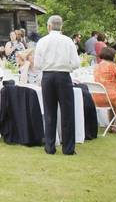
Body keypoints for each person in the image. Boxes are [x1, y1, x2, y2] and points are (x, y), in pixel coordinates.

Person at [34, 15, 80, 155]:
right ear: (61, 27)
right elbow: (76, 63)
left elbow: (37, 64)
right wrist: (67, 68)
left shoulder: (42, 41)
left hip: (48, 76)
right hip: (63, 76)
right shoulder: (68, 41)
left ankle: (49, 146)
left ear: (49, 26)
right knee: (67, 112)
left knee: (49, 112)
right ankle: (68, 148)